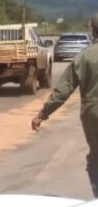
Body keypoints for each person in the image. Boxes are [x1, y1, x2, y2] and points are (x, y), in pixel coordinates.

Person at [31, 13, 98, 196]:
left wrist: (42, 114)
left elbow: (62, 91)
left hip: (93, 114)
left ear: (93, 31)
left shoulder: (83, 57)